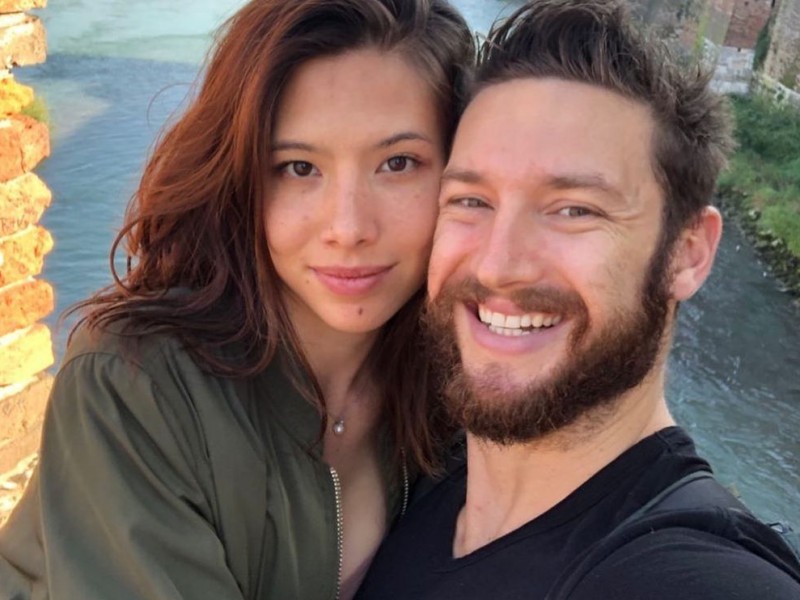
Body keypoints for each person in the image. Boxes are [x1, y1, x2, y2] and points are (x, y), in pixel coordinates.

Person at [0, 1, 473, 599]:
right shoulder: (136, 388)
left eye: (398, 163)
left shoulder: (461, 377)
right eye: (298, 167)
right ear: (241, 178)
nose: (349, 227)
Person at [355, 1, 800, 598]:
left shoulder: (695, 578)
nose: (498, 265)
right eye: (471, 201)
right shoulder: (417, 480)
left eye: (574, 210)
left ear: (688, 252)